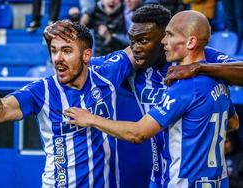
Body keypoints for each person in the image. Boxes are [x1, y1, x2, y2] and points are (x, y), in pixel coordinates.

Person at [45, 4, 243, 187]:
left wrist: (198, 68)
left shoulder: (203, 61)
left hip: (181, 179)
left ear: (164, 38)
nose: (135, 48)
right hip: (164, 177)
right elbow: (232, 122)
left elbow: (138, 133)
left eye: (143, 41)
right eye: (132, 41)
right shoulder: (134, 66)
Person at [0, 23, 142, 187]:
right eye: (54, 50)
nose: (57, 58)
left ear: (86, 55)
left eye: (66, 51)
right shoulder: (42, 91)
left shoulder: (106, 74)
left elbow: (142, 45)